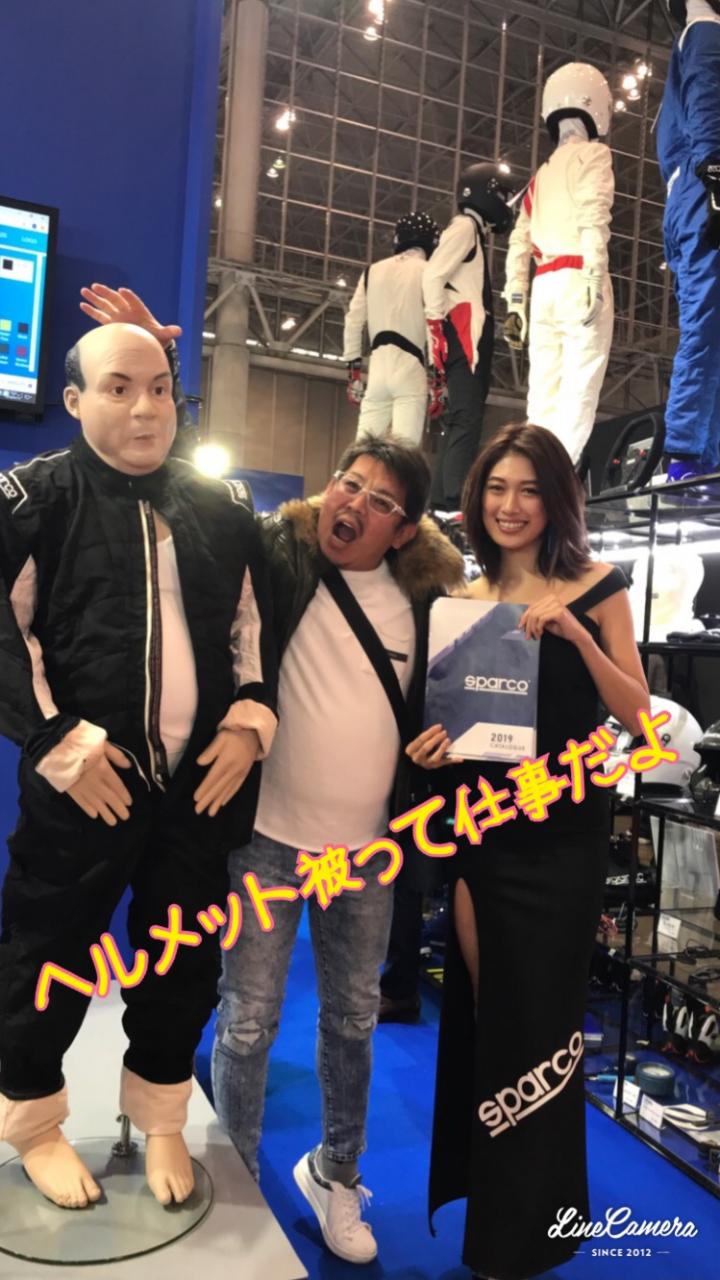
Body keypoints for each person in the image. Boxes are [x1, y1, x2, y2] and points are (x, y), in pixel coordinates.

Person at [0, 323, 277, 1210]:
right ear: (74, 399)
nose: (146, 408)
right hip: (82, 785)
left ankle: (161, 1115)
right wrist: (55, 742)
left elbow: (254, 627)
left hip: (198, 787)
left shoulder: (220, 507)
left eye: (159, 387)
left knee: (184, 958)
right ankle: (33, 1122)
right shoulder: (34, 500)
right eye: (118, 388)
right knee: (46, 953)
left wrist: (251, 721)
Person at [212, 435, 464, 1265]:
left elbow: (448, 712)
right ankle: (237, 1178)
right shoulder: (281, 564)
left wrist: (441, 747)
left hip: (365, 857)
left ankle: (337, 1173)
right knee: (247, 1021)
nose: (352, 503)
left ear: (405, 530)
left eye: (379, 500)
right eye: (347, 483)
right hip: (266, 841)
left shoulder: (426, 604)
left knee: (353, 1021)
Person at [407, 422, 649, 1280]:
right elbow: (448, 723)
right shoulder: (460, 602)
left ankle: (538, 1227)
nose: (510, 506)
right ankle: (496, 1227)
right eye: (496, 489)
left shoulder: (600, 587)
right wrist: (429, 752)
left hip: (565, 842)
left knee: (546, 1024)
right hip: (483, 834)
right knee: (492, 1018)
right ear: (477, 499)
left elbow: (643, 721)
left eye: (530, 490)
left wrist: (580, 637)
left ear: (557, 501)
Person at [503, 63, 614, 466]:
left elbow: (519, 241)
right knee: (578, 391)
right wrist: (594, 276)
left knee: (542, 395)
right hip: (579, 275)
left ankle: (532, 473)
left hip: (543, 287)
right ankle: (558, 478)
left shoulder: (541, 175)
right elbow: (593, 217)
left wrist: (516, 301)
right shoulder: (594, 154)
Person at [423, 162, 518, 512]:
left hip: (465, 333)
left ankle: (443, 499)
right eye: (501, 196)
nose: (504, 205)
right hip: (462, 334)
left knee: (462, 418)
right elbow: (432, 276)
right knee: (466, 417)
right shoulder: (464, 228)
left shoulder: (471, 232)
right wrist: (436, 327)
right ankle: (453, 500)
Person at [657, 0, 720, 481]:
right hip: (704, 186)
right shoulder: (706, 32)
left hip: (688, 193)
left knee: (708, 319)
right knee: (707, 318)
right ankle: (687, 453)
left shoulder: (693, 37)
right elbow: (708, 99)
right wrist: (715, 173)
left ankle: (701, 454)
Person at [343, 211, 441, 446]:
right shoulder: (429, 272)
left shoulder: (372, 271)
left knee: (361, 451)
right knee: (405, 453)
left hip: (377, 366)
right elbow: (434, 322)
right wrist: (437, 377)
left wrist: (353, 373)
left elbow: (353, 321)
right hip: (411, 368)